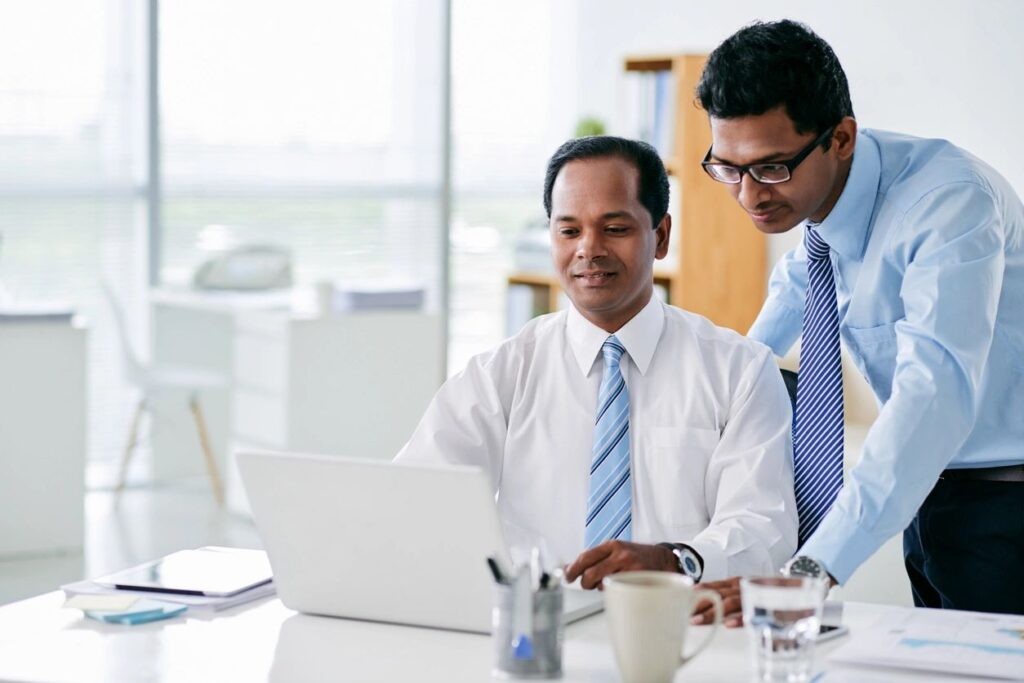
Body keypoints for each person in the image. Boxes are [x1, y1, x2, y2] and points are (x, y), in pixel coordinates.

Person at [691, 19, 1024, 622]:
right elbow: (779, 317)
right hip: (928, 497)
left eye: (771, 168)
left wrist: (815, 569)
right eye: (730, 169)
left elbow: (935, 391)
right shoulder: (822, 216)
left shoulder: (947, 204)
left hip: (1006, 506)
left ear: (840, 138)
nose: (749, 196)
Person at [395, 136, 798, 587]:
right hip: (536, 632)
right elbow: (415, 498)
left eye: (615, 229)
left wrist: (673, 561)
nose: (589, 249)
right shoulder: (502, 373)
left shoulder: (740, 370)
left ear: (660, 236)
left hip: (681, 627)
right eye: (569, 231)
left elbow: (765, 529)